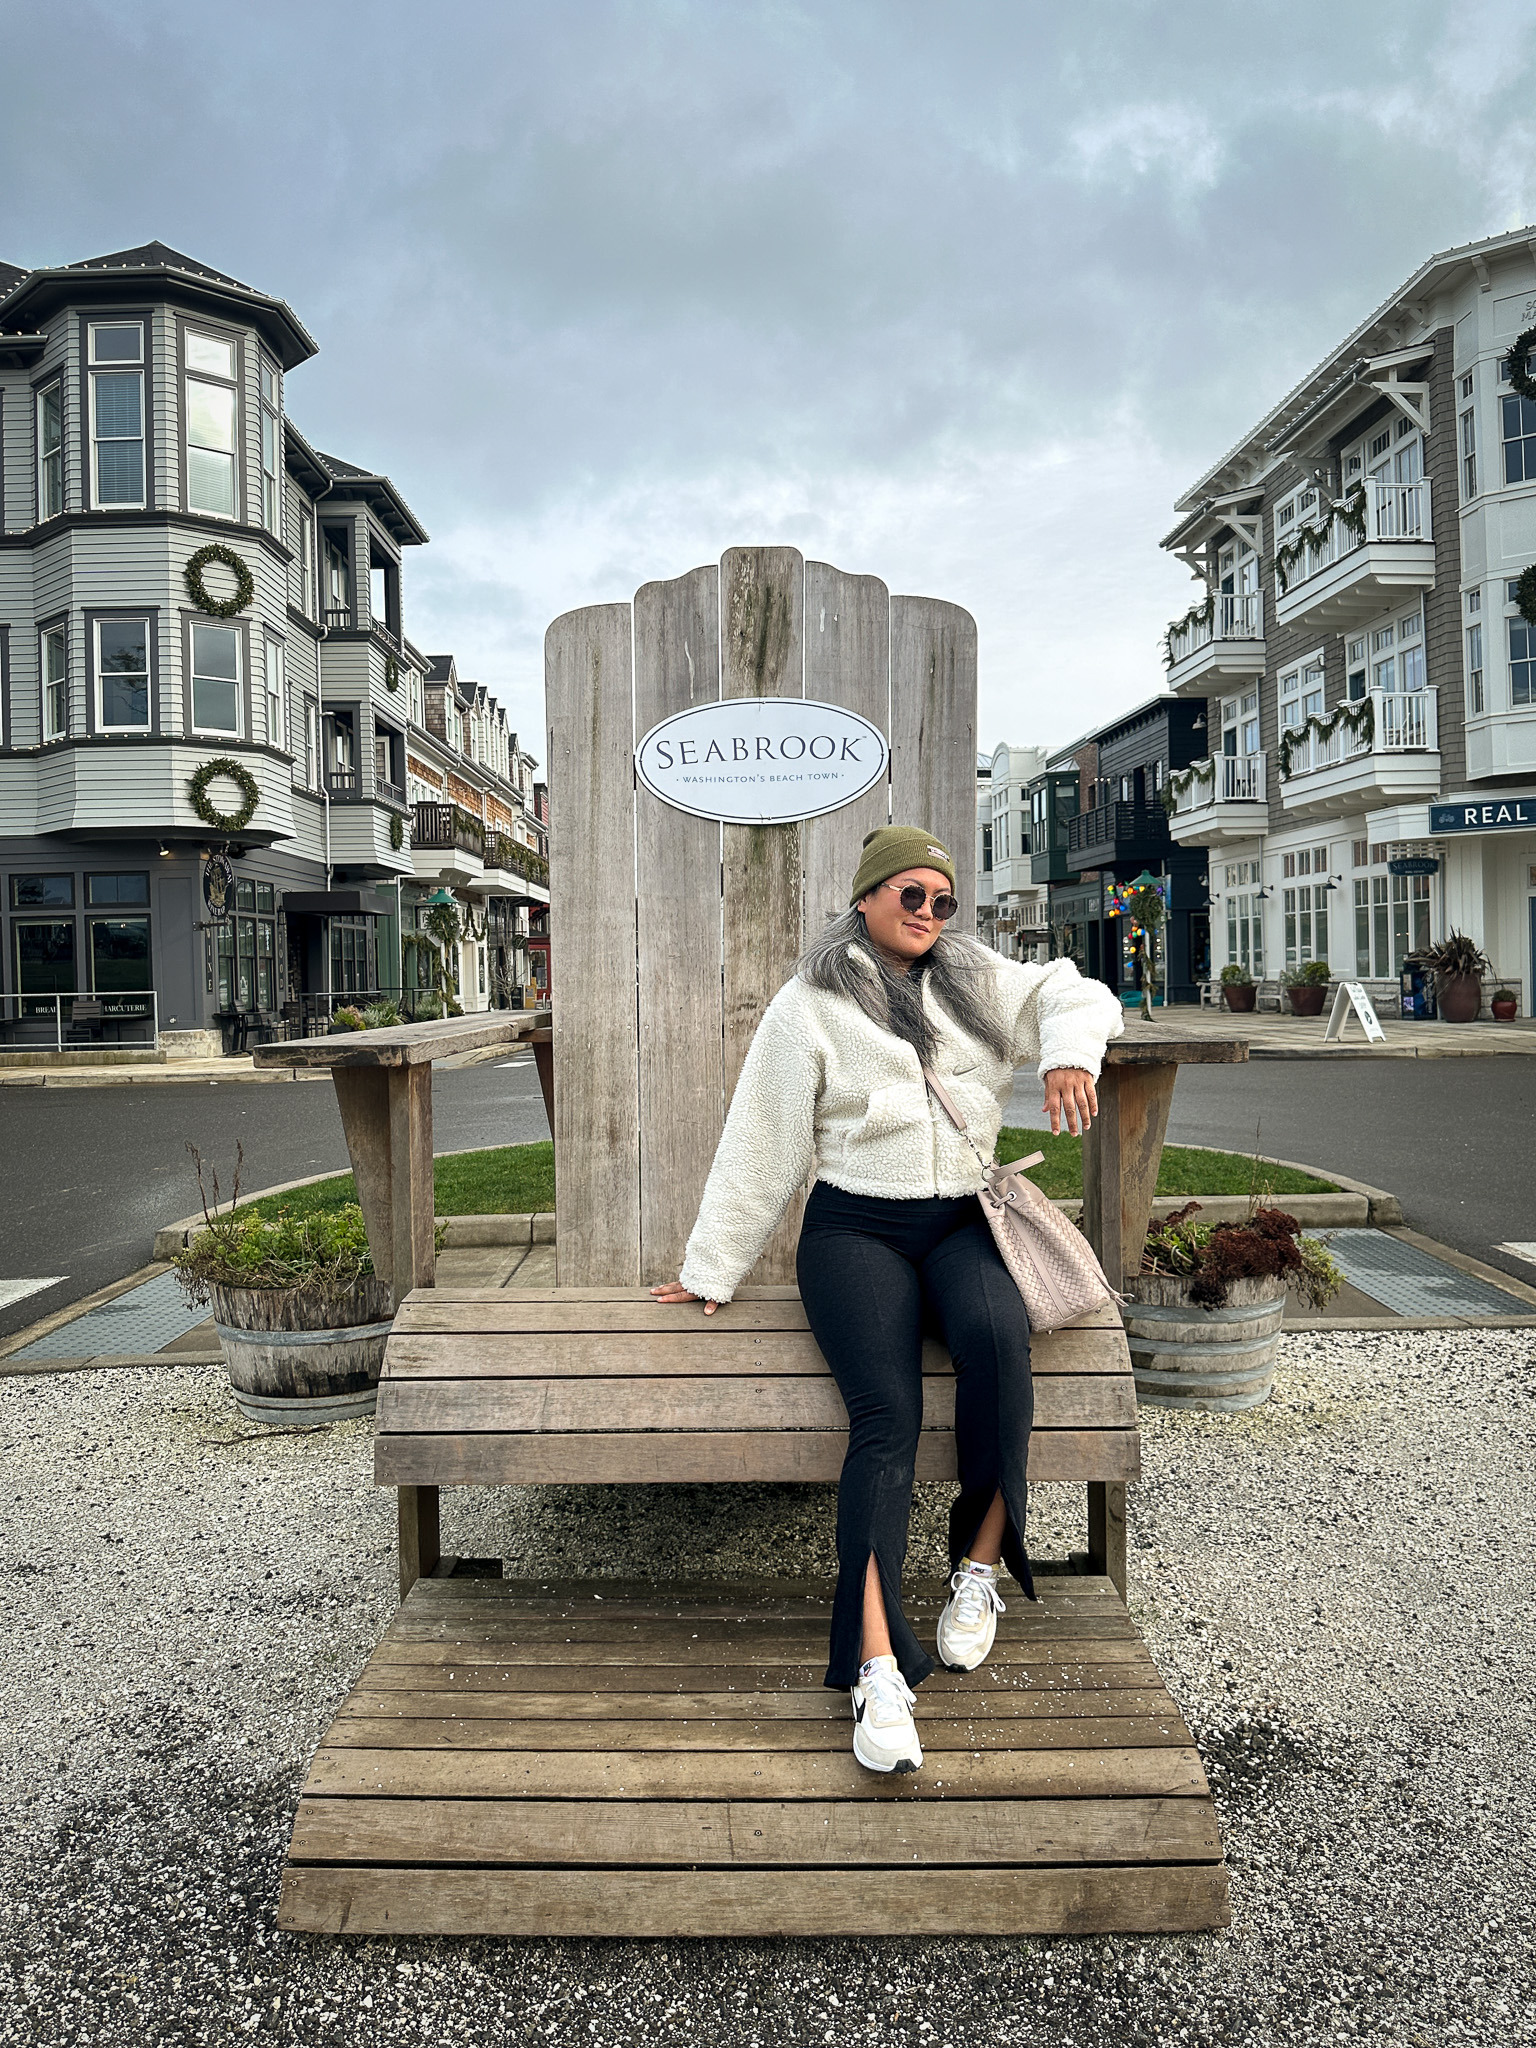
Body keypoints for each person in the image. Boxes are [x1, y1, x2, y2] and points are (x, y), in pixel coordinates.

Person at [652, 824, 1122, 1774]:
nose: (928, 915)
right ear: (865, 899)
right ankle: (875, 1664)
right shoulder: (812, 1001)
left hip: (961, 1221)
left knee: (998, 1343)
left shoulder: (973, 977)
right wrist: (713, 1266)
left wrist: (1071, 1051)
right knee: (886, 1414)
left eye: (944, 901)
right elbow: (764, 1139)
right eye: (911, 896)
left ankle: (978, 1565)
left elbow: (1078, 988)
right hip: (855, 1229)